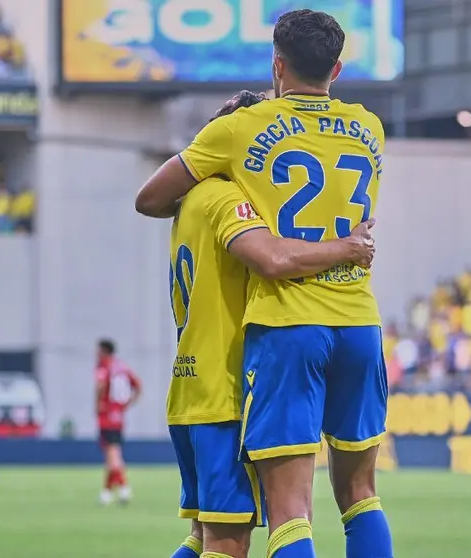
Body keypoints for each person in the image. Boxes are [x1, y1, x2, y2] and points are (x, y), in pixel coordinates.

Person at [136, 9, 393, 557]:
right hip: (359, 320)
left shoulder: (239, 134)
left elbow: (151, 198)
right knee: (361, 494)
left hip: (285, 324)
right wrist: (348, 248)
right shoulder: (370, 128)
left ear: (277, 64)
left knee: (285, 513)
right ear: (338, 68)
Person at [166, 90, 375, 558]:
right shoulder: (227, 199)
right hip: (225, 390)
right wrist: (346, 248)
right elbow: (273, 258)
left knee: (202, 537)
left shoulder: (189, 201)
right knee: (230, 543)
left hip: (190, 389)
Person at [95, 338, 141, 506]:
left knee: (113, 455)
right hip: (118, 416)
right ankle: (107, 492)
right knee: (112, 455)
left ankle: (124, 488)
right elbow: (138, 386)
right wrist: (127, 404)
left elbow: (100, 386)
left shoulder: (104, 366)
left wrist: (98, 404)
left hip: (107, 416)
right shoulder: (122, 366)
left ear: (104, 351)